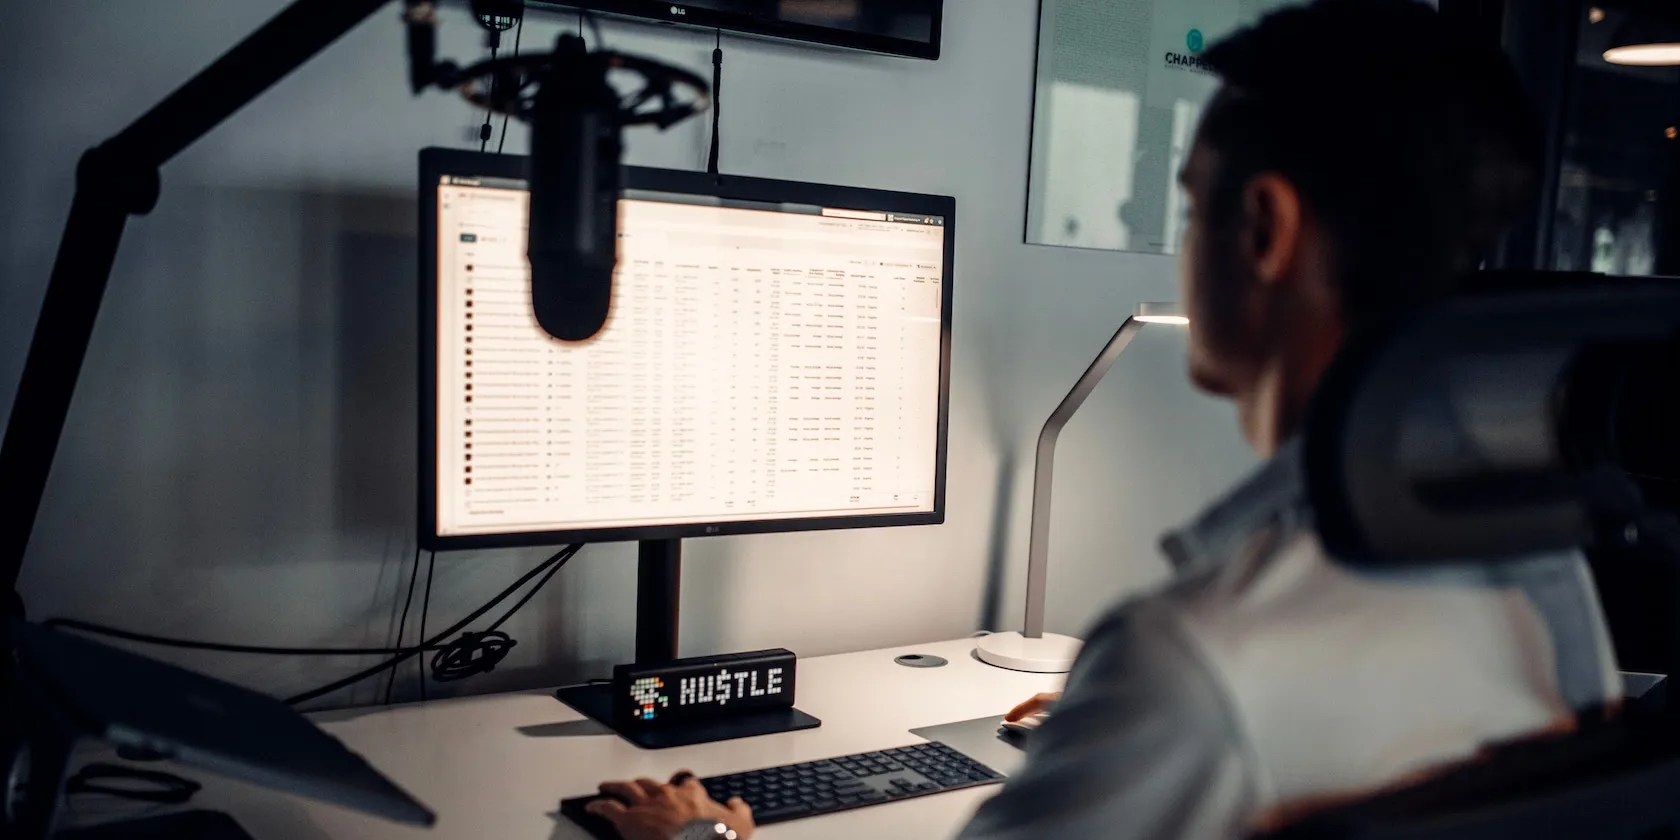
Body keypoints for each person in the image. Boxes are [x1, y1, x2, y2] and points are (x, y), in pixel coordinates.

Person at [585, 2, 1622, 838]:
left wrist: (698, 838)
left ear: (1262, 228)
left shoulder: (1192, 660)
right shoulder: (1548, 584)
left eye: (1188, 204)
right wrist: (1109, 736)